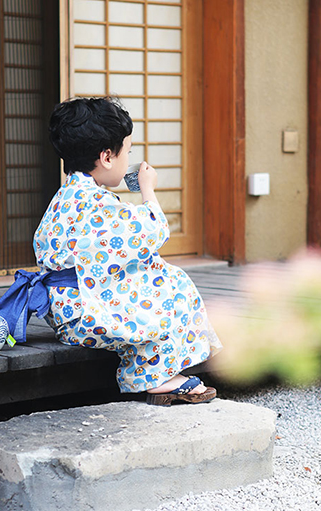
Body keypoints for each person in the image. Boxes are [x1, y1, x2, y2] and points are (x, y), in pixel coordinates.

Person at [32, 97, 222, 405]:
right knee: (172, 284)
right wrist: (148, 187)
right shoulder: (96, 202)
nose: (128, 159)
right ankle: (155, 377)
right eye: (127, 152)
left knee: (152, 273)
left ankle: (152, 371)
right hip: (85, 314)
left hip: (66, 309)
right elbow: (154, 231)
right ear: (107, 156)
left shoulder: (67, 196)